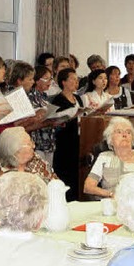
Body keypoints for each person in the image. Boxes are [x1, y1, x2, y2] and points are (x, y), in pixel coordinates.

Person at [0, 126, 57, 200]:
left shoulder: (37, 162)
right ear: (15, 150)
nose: (34, 145)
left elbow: (56, 185)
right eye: (29, 144)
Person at [84, 117, 134, 198]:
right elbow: (88, 187)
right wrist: (111, 194)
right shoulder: (104, 158)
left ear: (132, 139)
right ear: (110, 139)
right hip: (115, 204)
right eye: (119, 132)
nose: (124, 135)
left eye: (128, 132)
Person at [52, 68, 83, 201]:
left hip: (78, 138)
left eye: (77, 80)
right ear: (64, 82)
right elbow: (55, 120)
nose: (76, 83)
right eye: (73, 80)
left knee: (76, 170)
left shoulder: (78, 98)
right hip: (64, 140)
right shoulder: (58, 100)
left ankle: (77, 197)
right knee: (65, 171)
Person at [27, 65, 57, 164]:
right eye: (46, 78)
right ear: (36, 80)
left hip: (48, 140)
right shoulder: (29, 96)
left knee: (48, 172)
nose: (50, 82)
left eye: (51, 78)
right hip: (36, 141)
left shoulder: (44, 96)